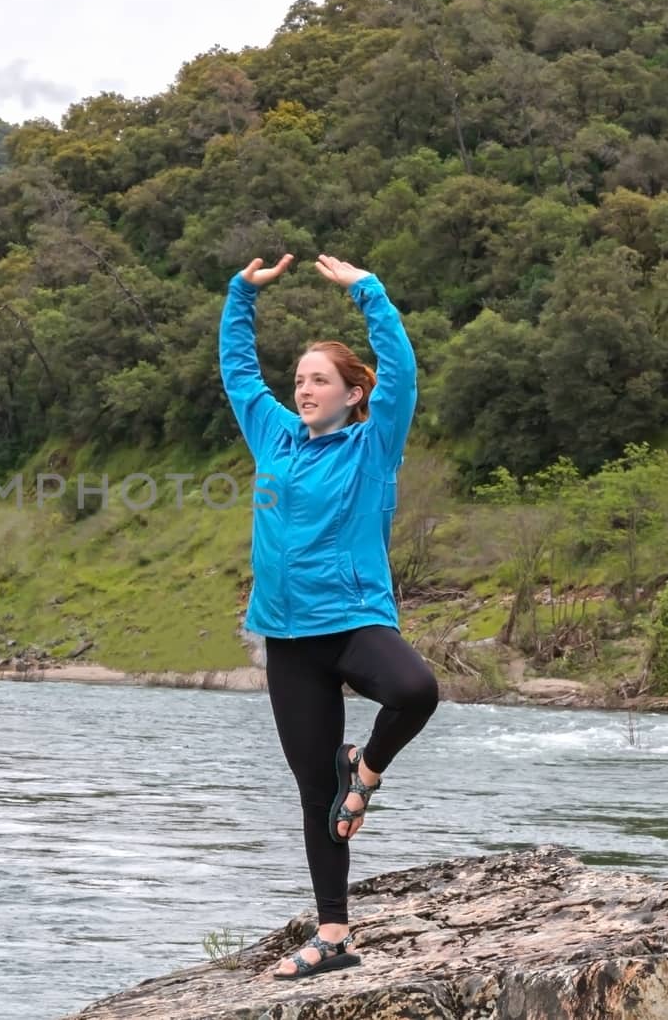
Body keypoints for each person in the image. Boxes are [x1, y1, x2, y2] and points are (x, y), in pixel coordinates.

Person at [218, 253, 439, 981]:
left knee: (415, 690)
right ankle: (334, 933)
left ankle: (366, 766)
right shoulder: (275, 438)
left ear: (352, 393)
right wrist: (241, 295)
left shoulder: (373, 446)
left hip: (352, 620)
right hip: (287, 638)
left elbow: (401, 369)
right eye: (301, 380)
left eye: (319, 380)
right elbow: (240, 374)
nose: (304, 389)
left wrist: (369, 292)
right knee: (316, 791)